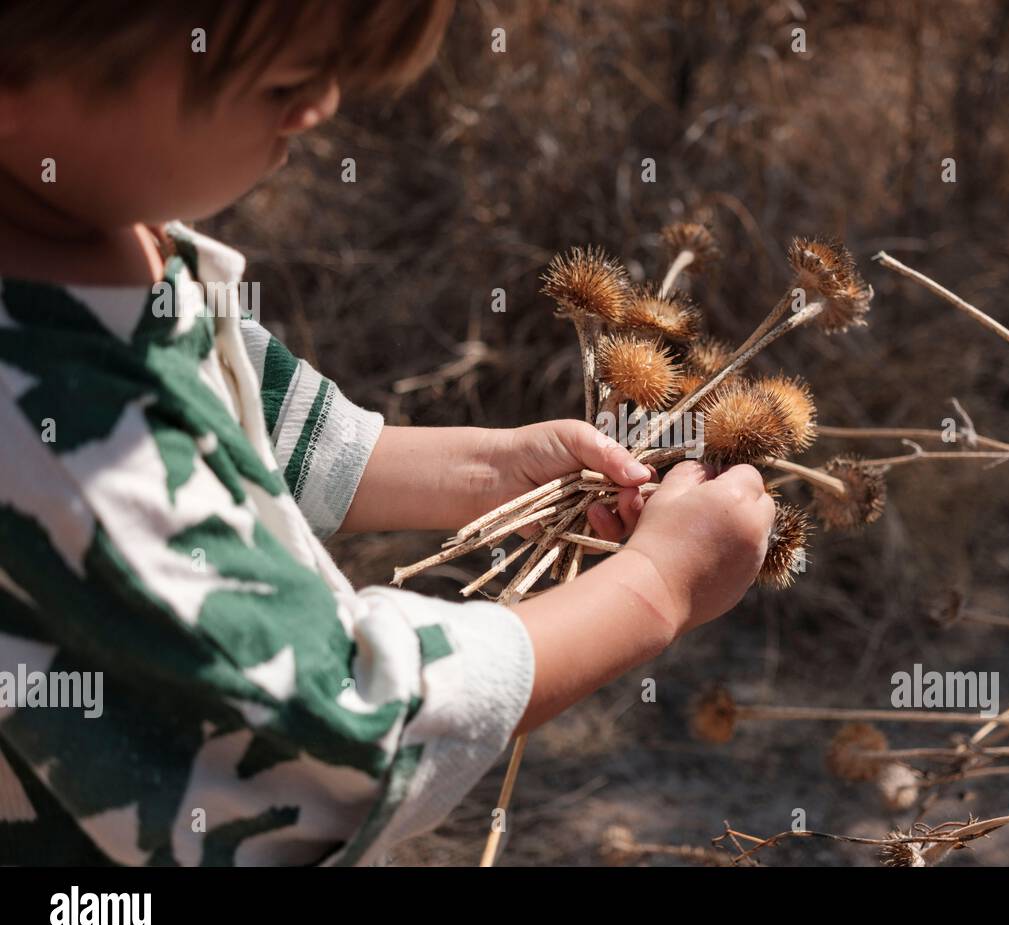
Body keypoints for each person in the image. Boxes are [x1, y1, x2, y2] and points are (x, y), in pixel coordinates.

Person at [0, 0, 774, 864]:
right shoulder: (66, 446)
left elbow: (277, 439)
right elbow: (344, 727)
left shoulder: (88, 223)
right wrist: (655, 590)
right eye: (288, 81)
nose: (320, 108)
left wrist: (496, 470)